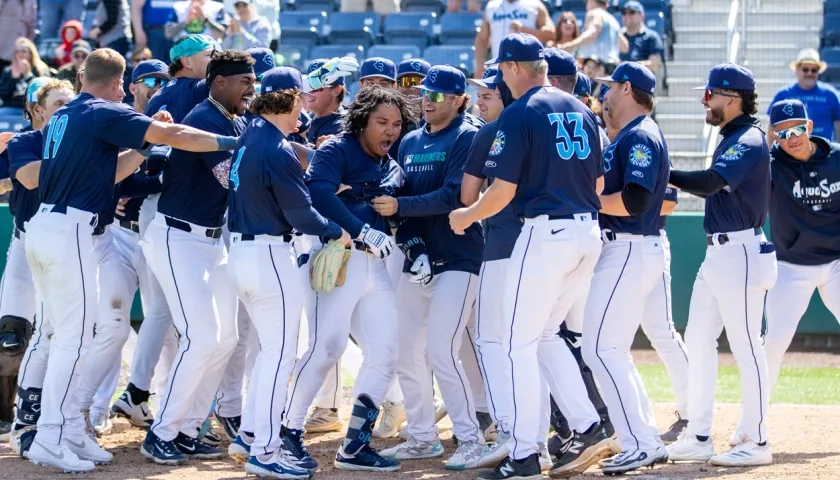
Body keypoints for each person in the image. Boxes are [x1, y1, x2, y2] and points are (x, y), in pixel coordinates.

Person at [23, 46, 241, 474]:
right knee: (73, 338)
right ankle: (49, 434)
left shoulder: (67, 115)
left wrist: (141, 146)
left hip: (49, 227)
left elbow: (110, 171)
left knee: (69, 335)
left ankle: (66, 430)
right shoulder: (102, 110)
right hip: (70, 232)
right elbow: (177, 137)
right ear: (119, 83)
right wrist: (238, 140)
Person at [448, 33, 606, 479]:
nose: (499, 75)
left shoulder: (520, 112)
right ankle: (589, 424)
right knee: (546, 336)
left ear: (516, 68)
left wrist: (466, 215)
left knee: (516, 344)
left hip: (546, 235)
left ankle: (523, 455)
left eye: (501, 68)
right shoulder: (580, 108)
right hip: (587, 233)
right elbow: (597, 187)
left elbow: (502, 192)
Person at [281, 85, 416, 473]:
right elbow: (319, 195)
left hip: (375, 266)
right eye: (381, 122)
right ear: (362, 120)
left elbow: (386, 206)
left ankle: (356, 444)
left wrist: (356, 196)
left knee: (386, 352)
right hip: (340, 259)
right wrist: (359, 224)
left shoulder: (391, 164)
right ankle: (289, 432)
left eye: (396, 123)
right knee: (327, 347)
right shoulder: (336, 149)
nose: (390, 130)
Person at [226, 66, 350, 479]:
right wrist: (337, 230)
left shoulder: (250, 137)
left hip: (245, 254)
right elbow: (301, 213)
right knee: (279, 359)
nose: (304, 107)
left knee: (269, 356)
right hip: (268, 256)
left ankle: (248, 436)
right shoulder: (277, 147)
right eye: (301, 98)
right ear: (290, 99)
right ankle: (266, 450)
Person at [371, 66, 498, 470]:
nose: (429, 100)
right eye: (427, 93)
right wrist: (411, 240)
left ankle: (470, 437)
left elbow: (454, 196)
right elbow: (400, 195)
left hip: (460, 258)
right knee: (406, 352)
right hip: (419, 260)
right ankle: (423, 436)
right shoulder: (409, 140)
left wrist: (401, 207)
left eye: (439, 95)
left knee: (443, 350)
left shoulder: (468, 135)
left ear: (460, 100)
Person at [139, 49, 255, 466]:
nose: (251, 88)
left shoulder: (235, 120)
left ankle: (186, 430)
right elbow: (231, 177)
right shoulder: (205, 118)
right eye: (245, 80)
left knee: (225, 339)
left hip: (210, 241)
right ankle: (162, 433)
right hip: (176, 237)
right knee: (202, 336)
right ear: (219, 82)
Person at [666, 63, 775, 467]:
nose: (704, 101)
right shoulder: (732, 135)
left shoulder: (748, 138)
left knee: (747, 347)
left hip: (742, 254)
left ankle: (758, 441)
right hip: (720, 255)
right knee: (697, 339)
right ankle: (698, 435)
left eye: (710, 94)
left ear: (733, 98)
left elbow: (711, 182)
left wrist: (665, 172)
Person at [109, 34, 217, 435]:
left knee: (162, 312)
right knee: (194, 322)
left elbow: (147, 164)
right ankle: (190, 408)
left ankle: (139, 391)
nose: (215, 61)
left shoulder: (158, 100)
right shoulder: (202, 90)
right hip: (182, 209)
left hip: (156, 210)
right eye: (208, 54)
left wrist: (124, 189)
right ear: (187, 61)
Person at [73, 60, 172, 438]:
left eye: (163, 80)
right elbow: (109, 178)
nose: (156, 86)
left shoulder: (169, 125)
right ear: (130, 86)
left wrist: (129, 186)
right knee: (109, 321)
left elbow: (164, 180)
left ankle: (154, 403)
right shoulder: (114, 119)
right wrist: (122, 187)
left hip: (152, 234)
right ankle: (96, 407)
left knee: (164, 325)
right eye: (149, 80)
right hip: (116, 234)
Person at [762, 99, 840, 400]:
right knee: (773, 344)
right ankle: (751, 424)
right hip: (791, 266)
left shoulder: (836, 158)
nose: (791, 137)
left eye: (797, 129)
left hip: (836, 262)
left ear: (809, 127)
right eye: (782, 132)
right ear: (774, 136)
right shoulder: (768, 166)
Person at [1, 77, 62, 448]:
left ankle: (52, 409)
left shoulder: (79, 138)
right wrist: (16, 179)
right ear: (34, 108)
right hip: (25, 241)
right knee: (11, 333)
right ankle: (5, 412)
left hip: (67, 242)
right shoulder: (21, 141)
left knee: (61, 331)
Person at [769, 48, 840, 142]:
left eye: (814, 70)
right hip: (791, 149)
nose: (809, 73)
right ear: (797, 70)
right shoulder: (783, 95)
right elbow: (772, 127)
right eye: (805, 69)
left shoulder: (831, 95)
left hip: (823, 152)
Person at [473, 0, 555, 78]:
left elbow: (551, 33)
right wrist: (479, 64)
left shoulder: (534, 4)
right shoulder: (492, 6)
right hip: (499, 68)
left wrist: (526, 30)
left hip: (528, 69)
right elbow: (482, 39)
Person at [559, 0, 628, 73]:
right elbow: (625, 47)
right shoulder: (613, 20)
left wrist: (571, 45)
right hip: (613, 69)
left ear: (591, 1)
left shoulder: (595, 13)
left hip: (598, 69)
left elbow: (592, 33)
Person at [304, 58, 346, 144]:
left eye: (315, 87)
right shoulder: (307, 118)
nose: (308, 92)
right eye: (307, 86)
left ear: (336, 90)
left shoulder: (343, 126)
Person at [0, 39, 51, 110]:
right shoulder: (9, 70)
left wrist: (28, 75)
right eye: (17, 51)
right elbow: (3, 96)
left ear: (31, 53)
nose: (20, 54)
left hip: (33, 109)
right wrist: (14, 79)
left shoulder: (41, 69)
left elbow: (43, 92)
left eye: (24, 51)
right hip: (10, 108)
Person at [618, 1, 663, 72]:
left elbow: (654, 64)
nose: (627, 15)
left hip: (641, 80)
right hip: (619, 81)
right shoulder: (619, 36)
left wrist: (629, 67)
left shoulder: (651, 37)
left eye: (631, 12)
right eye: (624, 13)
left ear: (642, 16)